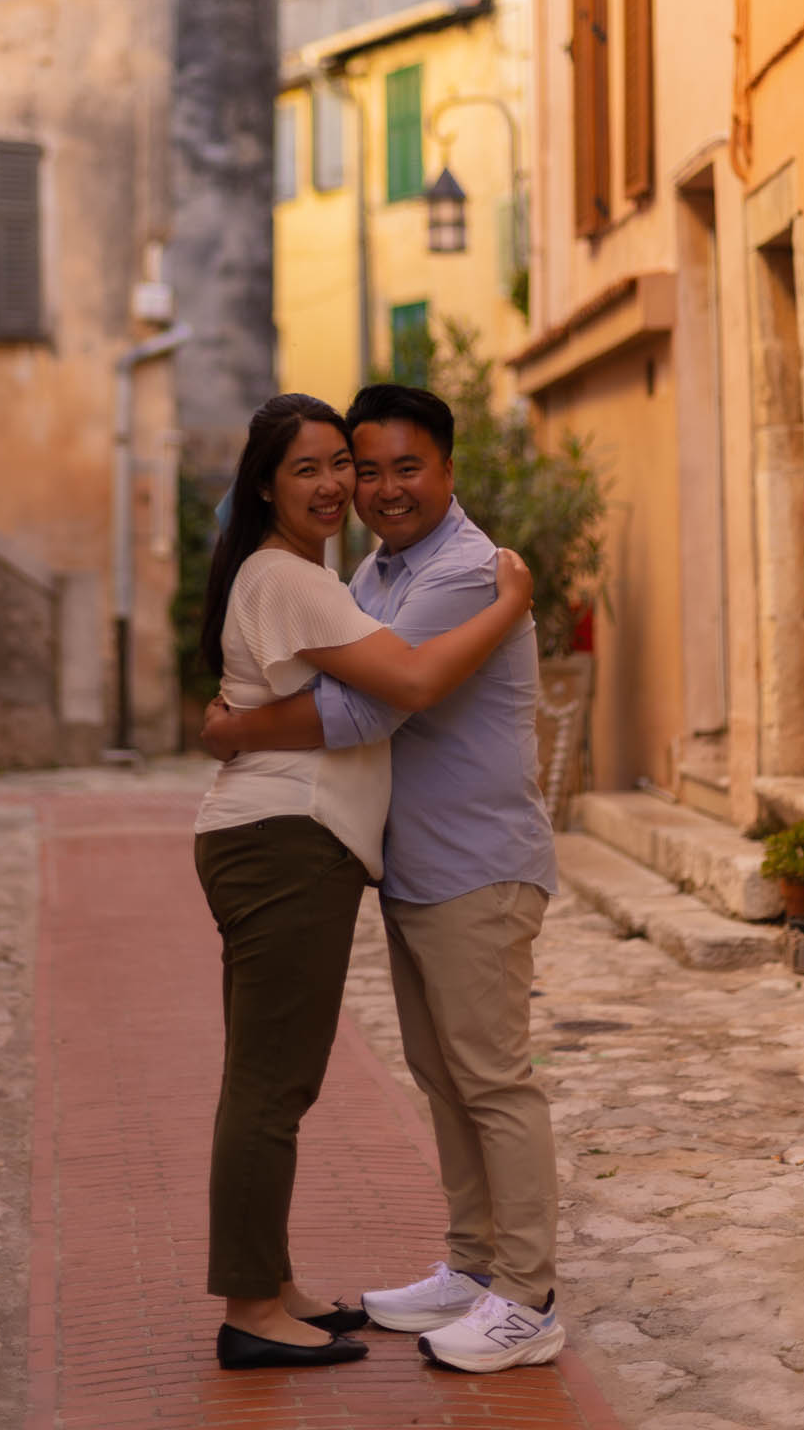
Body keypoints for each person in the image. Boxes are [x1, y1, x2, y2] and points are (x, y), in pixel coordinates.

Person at [203, 382, 563, 1377]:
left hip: (477, 863)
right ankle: (473, 1265)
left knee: (491, 1078)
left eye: (407, 467)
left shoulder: (467, 571)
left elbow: (371, 707)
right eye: (367, 469)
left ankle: (526, 1297)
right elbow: (339, 676)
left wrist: (235, 728)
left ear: (447, 468)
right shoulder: (373, 568)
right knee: (444, 1076)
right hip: (415, 865)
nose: (381, 487)